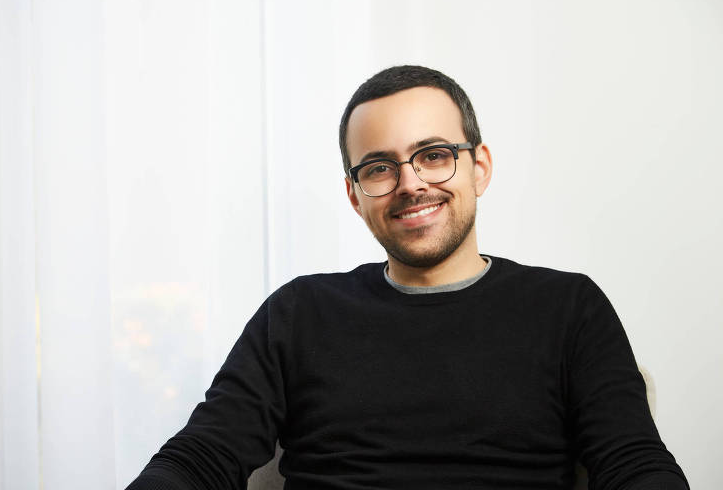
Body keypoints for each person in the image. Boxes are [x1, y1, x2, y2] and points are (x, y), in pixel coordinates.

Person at [126, 66, 688, 489]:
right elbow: (204, 454)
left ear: (479, 167)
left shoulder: (568, 307)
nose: (410, 183)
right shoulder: (299, 312)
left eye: (434, 154)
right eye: (379, 167)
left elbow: (632, 461)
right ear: (355, 195)